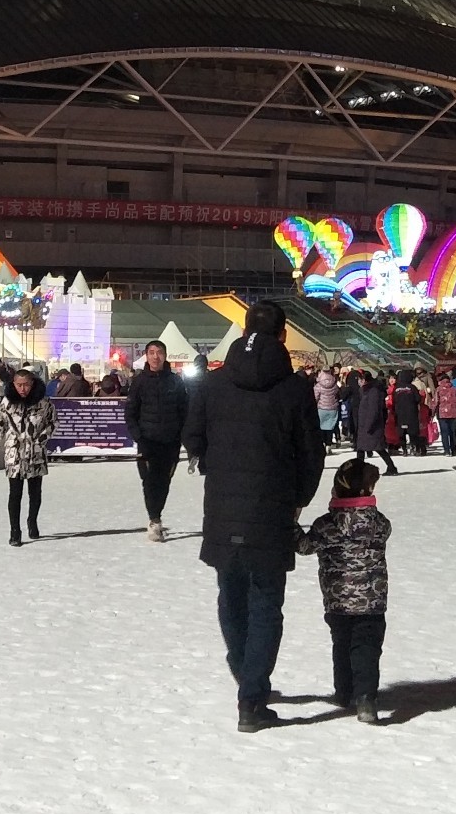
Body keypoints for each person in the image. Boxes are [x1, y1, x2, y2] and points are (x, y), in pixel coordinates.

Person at [182, 300, 323, 732]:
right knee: (265, 602)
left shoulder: (214, 384)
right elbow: (311, 451)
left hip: (224, 506)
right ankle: (252, 695)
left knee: (231, 593)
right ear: (283, 335)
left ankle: (244, 668)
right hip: (272, 506)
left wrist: (214, 467)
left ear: (244, 331)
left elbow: (193, 436)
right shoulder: (295, 388)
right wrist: (298, 496)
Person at [296, 457, 392, 725]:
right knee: (368, 649)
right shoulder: (379, 522)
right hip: (373, 601)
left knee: (342, 644)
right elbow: (386, 531)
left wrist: (291, 523)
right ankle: (366, 698)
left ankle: (344, 691)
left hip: (337, 601)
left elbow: (304, 546)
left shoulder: (328, 524)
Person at [124, 339, 189, 541]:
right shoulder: (139, 382)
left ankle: (157, 515)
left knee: (164, 482)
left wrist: (182, 435)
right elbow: (130, 412)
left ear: (165, 355)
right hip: (147, 440)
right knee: (149, 481)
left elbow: (185, 410)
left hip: (170, 441)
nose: (155, 356)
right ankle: (154, 519)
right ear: (146, 356)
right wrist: (138, 435)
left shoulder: (175, 381)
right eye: (151, 352)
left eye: (159, 352)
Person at [0, 368, 56, 546]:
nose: (23, 389)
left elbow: (52, 423)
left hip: (36, 453)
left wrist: (41, 439)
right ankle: (14, 531)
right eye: (19, 385)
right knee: (15, 493)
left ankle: (32, 521)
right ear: (13, 384)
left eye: (26, 385)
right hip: (14, 453)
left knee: (35, 492)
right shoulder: (7, 403)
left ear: (32, 384)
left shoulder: (44, 403)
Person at [348, 370, 399, 475]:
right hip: (364, 424)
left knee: (378, 448)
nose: (359, 382)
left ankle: (391, 467)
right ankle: (359, 471)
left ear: (365, 380)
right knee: (361, 449)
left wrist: (369, 425)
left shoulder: (373, 391)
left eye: (360, 380)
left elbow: (373, 410)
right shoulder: (364, 390)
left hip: (372, 425)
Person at [389, 369, 426, 456]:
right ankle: (414, 448)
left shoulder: (396, 389)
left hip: (400, 414)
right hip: (411, 413)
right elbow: (418, 399)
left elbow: (393, 401)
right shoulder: (412, 388)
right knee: (412, 432)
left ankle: (404, 450)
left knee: (401, 433)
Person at [432, 371, 456, 460]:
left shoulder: (438, 389)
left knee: (444, 432)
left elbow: (435, 402)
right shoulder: (455, 389)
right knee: (453, 432)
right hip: (454, 413)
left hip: (442, 414)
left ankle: (447, 450)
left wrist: (432, 413)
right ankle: (453, 450)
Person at [314, 367, 342, 449]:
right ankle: (329, 444)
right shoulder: (334, 383)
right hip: (333, 407)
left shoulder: (318, 385)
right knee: (330, 426)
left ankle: (323, 442)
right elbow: (338, 394)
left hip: (321, 408)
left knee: (322, 426)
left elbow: (315, 397)